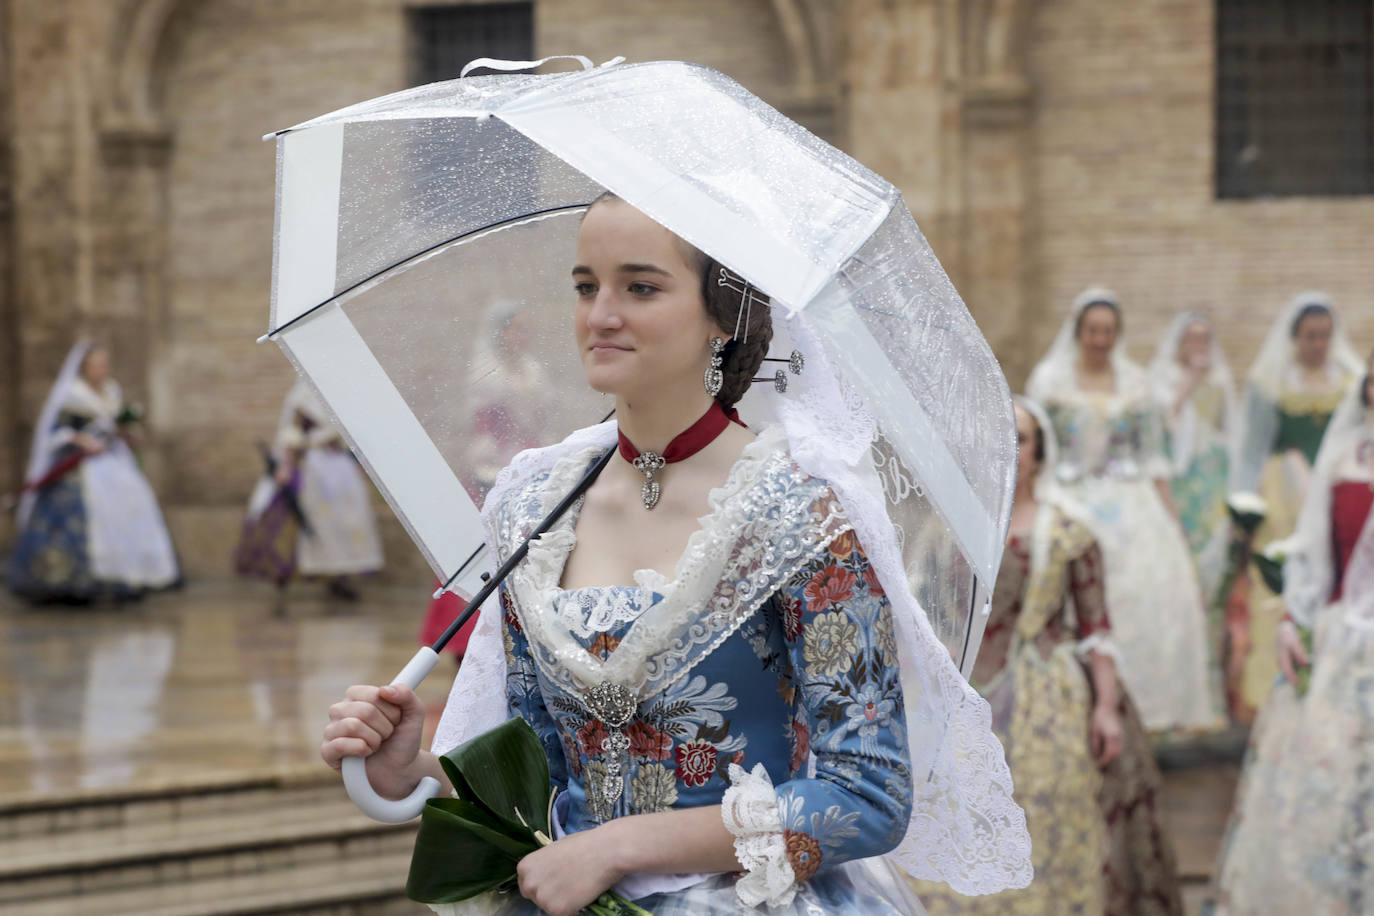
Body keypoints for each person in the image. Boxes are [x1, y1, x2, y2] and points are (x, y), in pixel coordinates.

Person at [319, 194, 1031, 914]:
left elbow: (869, 796)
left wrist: (621, 847)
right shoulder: (533, 510)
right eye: (585, 285)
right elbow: (541, 762)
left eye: (641, 287)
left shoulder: (801, 513)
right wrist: (415, 767)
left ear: (721, 317)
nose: (600, 315)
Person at [913, 398, 1183, 915]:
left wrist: (1105, 706)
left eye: (1023, 439)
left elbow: (1096, 628)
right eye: (1002, 438)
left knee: (1044, 814)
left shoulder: (1067, 533)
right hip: (963, 693)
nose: (1012, 450)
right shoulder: (948, 527)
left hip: (1046, 697)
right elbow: (923, 610)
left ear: (1040, 452)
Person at [1215, 351, 1374, 914]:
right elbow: (1312, 551)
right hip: (1337, 642)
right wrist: (1295, 621)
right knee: (1328, 773)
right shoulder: (1345, 458)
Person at [1026, 288, 1217, 734]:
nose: (1100, 338)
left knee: (1151, 592)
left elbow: (1152, 458)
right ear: (1079, 332)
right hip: (1067, 496)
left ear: (1117, 334)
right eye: (1093, 330)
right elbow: (1038, 447)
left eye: (1108, 331)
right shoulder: (1050, 381)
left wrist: (1174, 525)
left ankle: (1143, 711)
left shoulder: (1135, 383)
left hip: (1131, 501)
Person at [1229, 292, 1362, 718]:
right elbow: (1252, 448)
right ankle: (1276, 684)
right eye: (1310, 336)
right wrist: (1243, 504)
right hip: (1283, 493)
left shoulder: (1351, 379)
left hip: (1341, 491)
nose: (1318, 344)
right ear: (1295, 338)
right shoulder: (1271, 382)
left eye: (1324, 336)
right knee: (1282, 584)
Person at [8, 341, 179, 601]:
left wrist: (126, 434)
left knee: (129, 509)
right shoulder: (72, 394)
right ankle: (70, 582)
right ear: (84, 367)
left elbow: (112, 426)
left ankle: (125, 577)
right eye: (97, 364)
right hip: (82, 465)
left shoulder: (112, 391)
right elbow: (56, 432)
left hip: (113, 461)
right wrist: (81, 440)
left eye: (105, 364)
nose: (103, 369)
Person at [1149, 312, 1242, 717]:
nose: (1199, 345)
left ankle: (1213, 690)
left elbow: (1231, 433)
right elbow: (1164, 424)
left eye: (1206, 337)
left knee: (1212, 579)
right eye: (1192, 337)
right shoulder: (1165, 379)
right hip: (1181, 489)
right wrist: (1188, 379)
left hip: (1213, 485)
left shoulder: (1221, 381)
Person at [235, 377, 383, 600]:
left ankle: (339, 578)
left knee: (344, 523)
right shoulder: (303, 393)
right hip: (314, 468)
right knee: (305, 524)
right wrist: (286, 464)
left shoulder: (344, 391)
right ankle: (293, 575)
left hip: (340, 468)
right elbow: (291, 433)